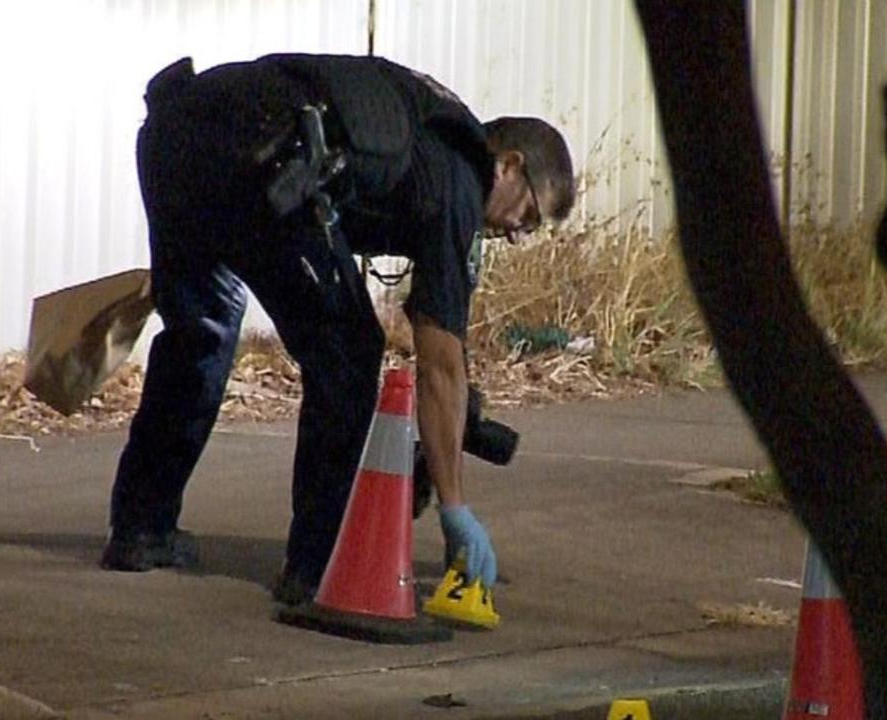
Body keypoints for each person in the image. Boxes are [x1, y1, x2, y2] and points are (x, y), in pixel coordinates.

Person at [100, 54, 576, 605]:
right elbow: (440, 362)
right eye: (531, 216)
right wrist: (454, 508)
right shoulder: (458, 180)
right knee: (348, 354)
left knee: (201, 329)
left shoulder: (429, 129)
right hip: (265, 155)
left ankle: (141, 527)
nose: (520, 234)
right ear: (510, 165)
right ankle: (319, 566)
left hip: (176, 130)